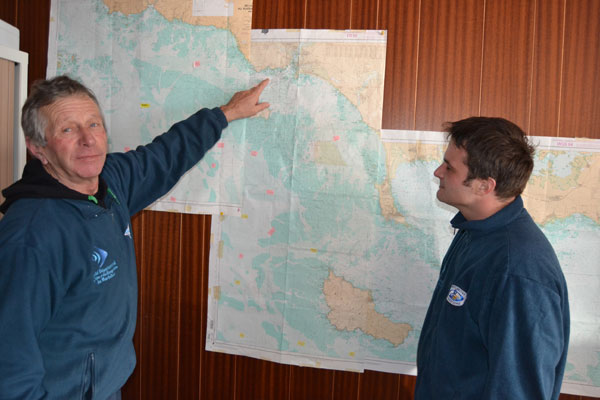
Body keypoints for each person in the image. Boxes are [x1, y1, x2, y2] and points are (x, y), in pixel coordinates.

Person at [0, 75, 269, 399]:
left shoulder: (110, 182)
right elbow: (10, 365)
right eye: (68, 130)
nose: (88, 139)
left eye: (94, 124)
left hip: (107, 387)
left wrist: (226, 113)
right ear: (38, 148)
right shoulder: (30, 239)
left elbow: (165, 155)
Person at [414, 117, 570, 399]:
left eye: (449, 167)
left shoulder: (517, 271)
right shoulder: (473, 230)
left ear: (485, 186)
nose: (438, 172)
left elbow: (520, 391)